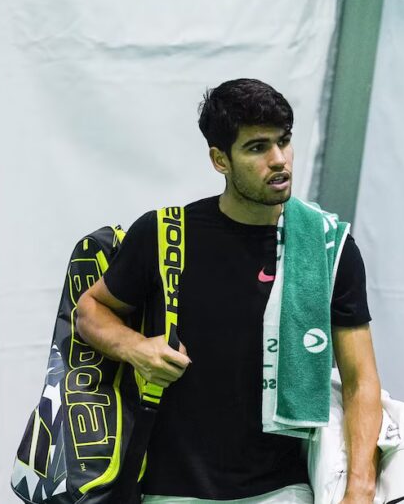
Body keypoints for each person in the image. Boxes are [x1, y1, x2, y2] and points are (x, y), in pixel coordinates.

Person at [76, 78, 382, 504]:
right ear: (220, 159)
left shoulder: (328, 246)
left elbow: (360, 380)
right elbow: (90, 309)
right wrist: (136, 348)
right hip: (171, 489)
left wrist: (360, 488)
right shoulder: (164, 235)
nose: (279, 160)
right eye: (257, 147)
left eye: (284, 141)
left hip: (284, 489)